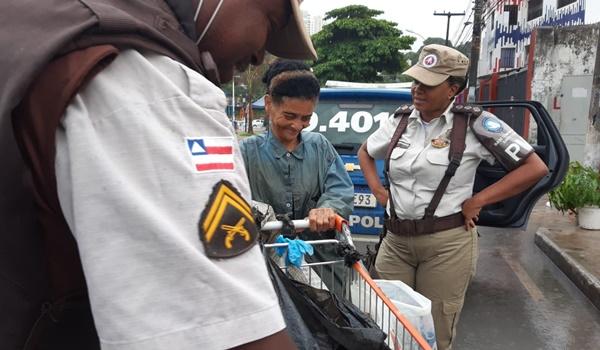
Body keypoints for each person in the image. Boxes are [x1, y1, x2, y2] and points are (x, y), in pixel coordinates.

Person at [8, 0, 318, 349]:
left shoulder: (46, 25)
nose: (262, 55)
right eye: (271, 22)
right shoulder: (145, 82)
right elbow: (230, 337)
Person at [358, 44, 548, 350]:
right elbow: (366, 152)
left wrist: (479, 200)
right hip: (395, 241)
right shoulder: (400, 121)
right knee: (386, 323)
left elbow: (534, 166)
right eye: (416, 81)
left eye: (428, 84)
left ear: (453, 89)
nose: (417, 89)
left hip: (446, 245)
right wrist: (379, 192)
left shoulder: (475, 124)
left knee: (434, 331)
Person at [240, 60, 354, 289]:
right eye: (289, 116)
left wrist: (328, 208)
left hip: (321, 263)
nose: (297, 126)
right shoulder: (246, 152)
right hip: (264, 267)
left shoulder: (320, 146)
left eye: (306, 119)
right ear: (269, 104)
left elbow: (340, 189)